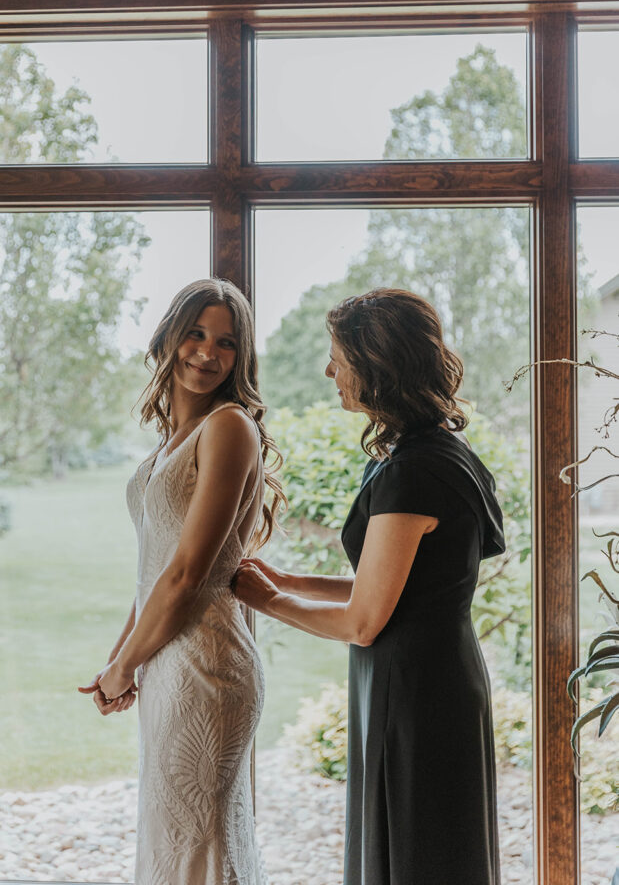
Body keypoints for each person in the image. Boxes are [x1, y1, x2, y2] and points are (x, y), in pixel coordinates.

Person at [233, 288, 504, 885]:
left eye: (338, 356)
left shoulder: (414, 470)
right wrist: (287, 577)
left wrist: (268, 600)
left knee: (418, 854)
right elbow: (400, 586)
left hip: (415, 691)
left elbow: (364, 619)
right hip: (429, 674)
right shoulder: (433, 451)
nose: (328, 370)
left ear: (377, 363)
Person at [79, 278, 284, 885]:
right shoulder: (169, 441)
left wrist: (122, 671)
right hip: (165, 659)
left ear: (239, 357)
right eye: (195, 333)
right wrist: (122, 659)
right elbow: (153, 573)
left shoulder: (228, 428)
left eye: (224, 342)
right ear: (171, 335)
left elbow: (189, 575)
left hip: (207, 665)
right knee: (173, 837)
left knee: (201, 842)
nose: (205, 352)